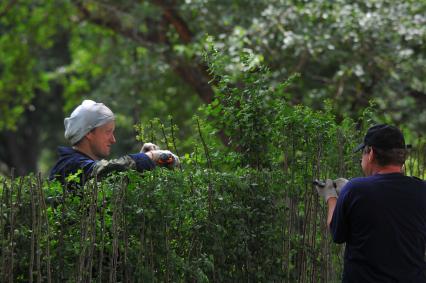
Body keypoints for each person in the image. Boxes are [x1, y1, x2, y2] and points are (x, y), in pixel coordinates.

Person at [316, 124, 426, 282]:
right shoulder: (422, 190)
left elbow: (337, 233)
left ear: (371, 154)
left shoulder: (356, 189)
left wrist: (331, 197)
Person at [49, 100, 179, 185]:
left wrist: (141, 164)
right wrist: (148, 157)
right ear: (88, 133)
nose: (113, 139)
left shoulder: (76, 164)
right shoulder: (71, 166)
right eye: (108, 132)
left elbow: (112, 184)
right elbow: (106, 173)